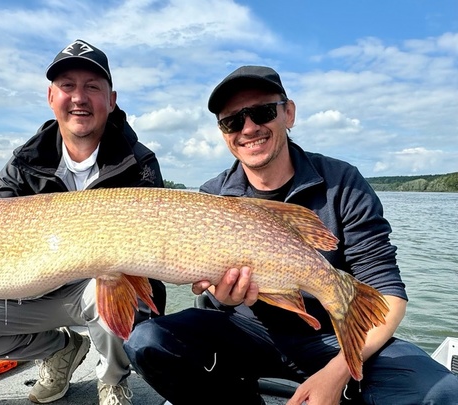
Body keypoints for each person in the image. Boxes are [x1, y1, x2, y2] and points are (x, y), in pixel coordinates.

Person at [124, 65, 458, 404]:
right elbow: (207, 286)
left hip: (330, 337)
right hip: (244, 332)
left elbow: (386, 292)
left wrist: (339, 370)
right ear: (224, 133)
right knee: (148, 340)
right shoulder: (213, 196)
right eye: (232, 121)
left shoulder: (342, 182)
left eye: (262, 112)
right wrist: (225, 296)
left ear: (289, 113)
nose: (249, 128)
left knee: (445, 393)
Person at [0, 40, 166, 405]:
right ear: (51, 96)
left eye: (92, 87)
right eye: (67, 86)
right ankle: (60, 349)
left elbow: (155, 246)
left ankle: (112, 379)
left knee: (110, 285)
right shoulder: (25, 160)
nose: (79, 97)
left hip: (96, 290)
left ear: (111, 100)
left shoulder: (138, 162)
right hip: (32, 289)